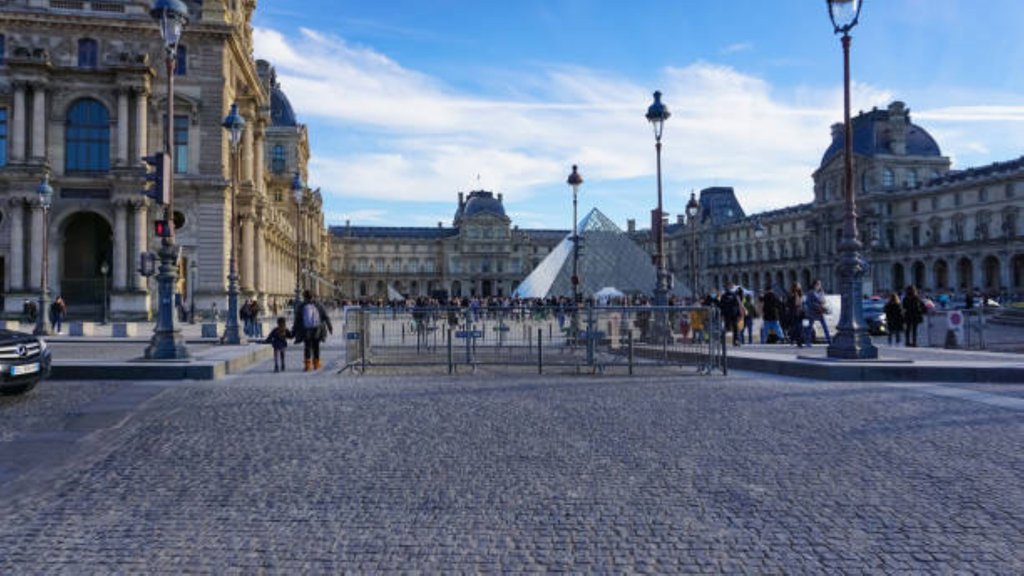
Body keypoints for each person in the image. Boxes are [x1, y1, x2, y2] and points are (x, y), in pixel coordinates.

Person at [293, 289, 333, 371]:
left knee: (307, 347)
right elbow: (325, 316)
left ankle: (308, 365)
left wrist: (294, 330)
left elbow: (297, 319)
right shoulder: (318, 304)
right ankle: (316, 363)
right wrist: (329, 327)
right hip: (316, 329)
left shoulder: (301, 306)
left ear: (304, 297)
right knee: (316, 347)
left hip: (306, 329)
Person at [803, 279, 832, 345]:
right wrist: (816, 304)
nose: (819, 285)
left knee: (825, 327)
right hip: (812, 312)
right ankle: (808, 342)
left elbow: (824, 301)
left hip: (820, 312)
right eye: (818, 284)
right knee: (809, 328)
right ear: (814, 285)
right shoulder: (810, 292)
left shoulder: (821, 292)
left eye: (819, 284)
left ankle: (829, 340)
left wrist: (822, 304)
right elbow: (808, 303)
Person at [718, 282, 744, 346]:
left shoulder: (724, 295)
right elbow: (738, 305)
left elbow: (721, 306)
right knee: (734, 328)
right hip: (732, 314)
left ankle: (724, 339)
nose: (732, 287)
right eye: (731, 286)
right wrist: (739, 314)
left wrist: (722, 314)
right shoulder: (733, 295)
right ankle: (734, 341)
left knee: (729, 328)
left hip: (729, 314)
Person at [785, 282, 807, 347]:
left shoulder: (801, 294)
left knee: (799, 328)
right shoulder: (791, 294)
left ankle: (795, 340)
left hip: (800, 313)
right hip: (794, 313)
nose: (800, 287)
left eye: (800, 285)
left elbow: (803, 303)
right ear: (795, 287)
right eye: (798, 286)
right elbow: (788, 304)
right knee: (796, 328)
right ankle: (797, 341)